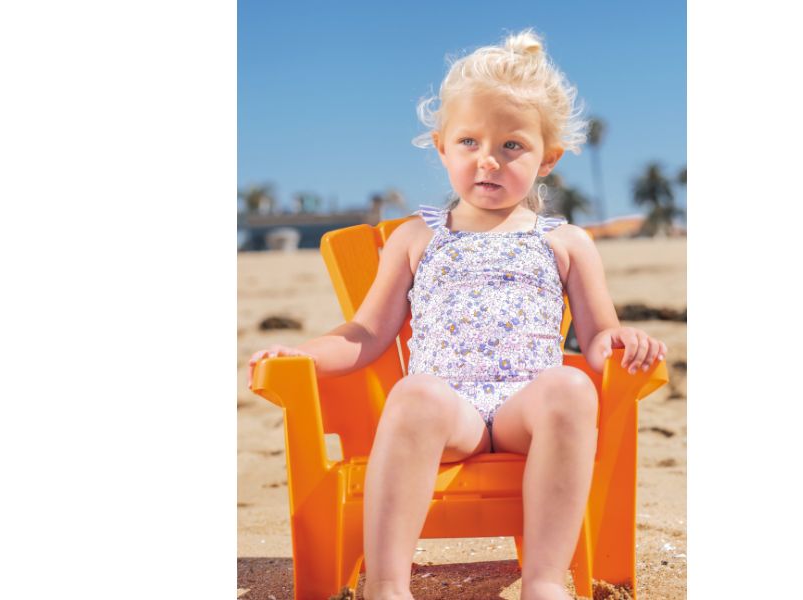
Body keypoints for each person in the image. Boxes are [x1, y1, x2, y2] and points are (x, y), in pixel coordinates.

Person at [247, 28, 668, 600]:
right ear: (442, 146)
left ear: (548, 158)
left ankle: (544, 581)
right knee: (415, 392)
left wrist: (623, 343)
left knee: (571, 388)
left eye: (511, 146)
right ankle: (388, 585)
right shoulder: (419, 238)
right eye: (469, 142)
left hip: (526, 410)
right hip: (452, 416)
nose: (487, 160)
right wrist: (303, 354)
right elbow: (366, 333)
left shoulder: (566, 242)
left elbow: (596, 337)